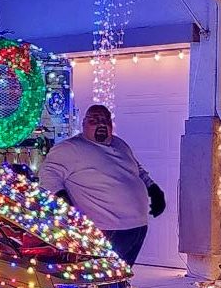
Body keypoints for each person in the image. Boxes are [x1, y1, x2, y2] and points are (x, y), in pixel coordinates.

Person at [39, 103, 163, 266]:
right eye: (94, 120)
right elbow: (48, 176)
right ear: (83, 124)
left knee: (122, 278)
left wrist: (153, 189)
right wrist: (65, 205)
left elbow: (137, 169)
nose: (101, 124)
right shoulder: (70, 148)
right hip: (105, 228)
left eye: (106, 120)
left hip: (136, 227)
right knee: (102, 278)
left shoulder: (120, 144)